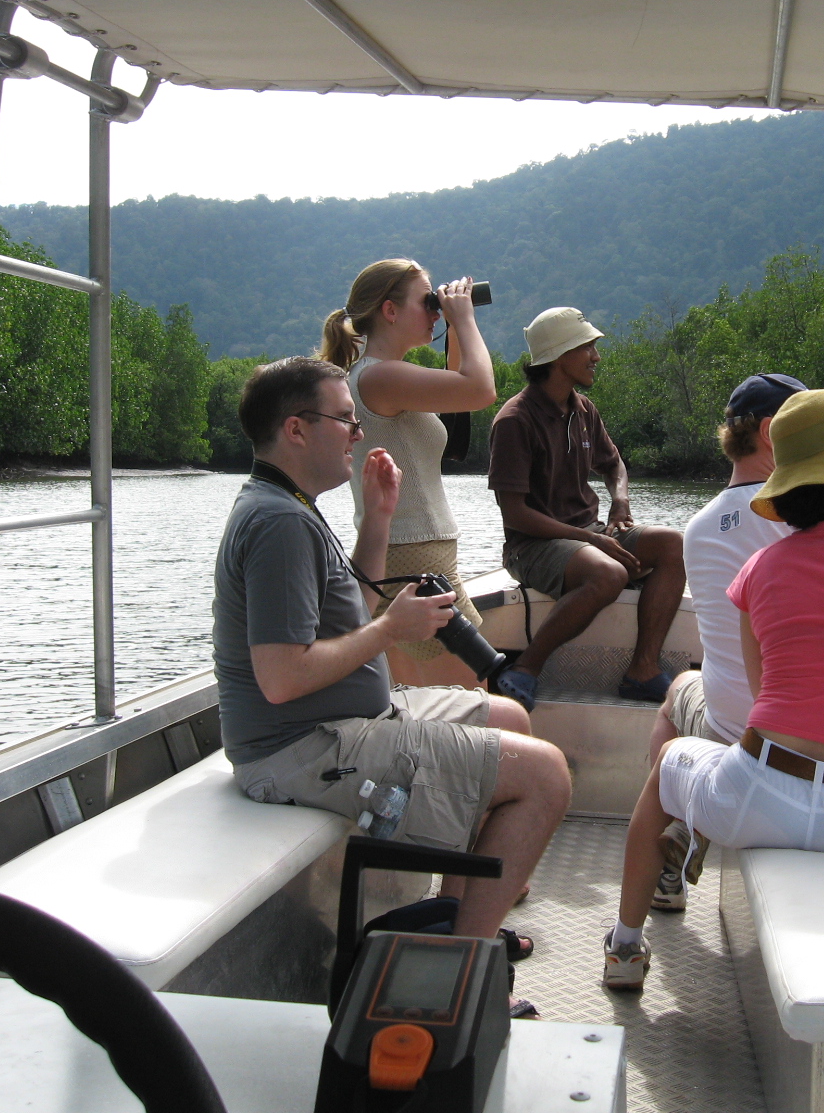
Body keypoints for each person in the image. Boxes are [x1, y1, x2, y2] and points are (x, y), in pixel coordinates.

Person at [212, 356, 570, 1006]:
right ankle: (455, 985)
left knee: (511, 720)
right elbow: (282, 678)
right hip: (303, 748)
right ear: (296, 430)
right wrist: (389, 631)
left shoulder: (291, 506)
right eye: (345, 419)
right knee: (545, 776)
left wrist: (377, 520)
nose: (357, 432)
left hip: (340, 726)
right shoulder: (278, 524)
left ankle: (455, 935)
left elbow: (338, 607)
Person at [602, 387, 824, 990]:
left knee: (668, 762)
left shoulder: (756, 571)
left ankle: (626, 947)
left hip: (758, 799)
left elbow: (763, 689)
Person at [486, 307, 686, 712]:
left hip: (588, 531)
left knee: (674, 544)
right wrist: (591, 539)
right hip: (532, 545)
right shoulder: (515, 420)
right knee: (607, 572)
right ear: (560, 357)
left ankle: (643, 670)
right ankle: (527, 667)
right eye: (588, 348)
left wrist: (620, 502)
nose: (596, 356)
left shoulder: (583, 410)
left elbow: (614, 465)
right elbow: (515, 515)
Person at [319, 260, 494, 688]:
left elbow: (456, 384)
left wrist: (452, 324)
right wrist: (464, 317)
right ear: (390, 310)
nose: (436, 310)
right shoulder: (380, 376)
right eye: (427, 300)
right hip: (417, 555)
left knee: (423, 701)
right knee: (474, 692)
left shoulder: (377, 376)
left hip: (400, 553)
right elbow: (481, 389)